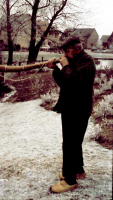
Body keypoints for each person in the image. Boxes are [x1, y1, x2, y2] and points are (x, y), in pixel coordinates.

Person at [46, 37, 96, 193]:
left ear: (77, 48)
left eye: (66, 51)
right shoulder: (75, 61)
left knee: (70, 143)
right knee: (74, 142)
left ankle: (69, 179)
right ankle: (78, 171)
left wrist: (65, 65)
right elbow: (64, 82)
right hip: (71, 107)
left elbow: (74, 80)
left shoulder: (87, 62)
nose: (64, 55)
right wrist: (56, 69)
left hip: (79, 109)